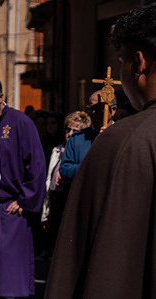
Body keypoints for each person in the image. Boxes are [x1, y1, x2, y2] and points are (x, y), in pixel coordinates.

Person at [45, 4, 156, 297]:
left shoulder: (124, 141)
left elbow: (86, 258)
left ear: (138, 62)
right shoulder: (104, 138)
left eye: (121, 61)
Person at [0, 76, 47, 298]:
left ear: (1, 97)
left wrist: (25, 200)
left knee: (10, 276)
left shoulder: (20, 122)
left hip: (11, 208)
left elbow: (36, 164)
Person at [40, 111, 91, 256]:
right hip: (56, 199)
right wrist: (45, 213)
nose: (70, 134)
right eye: (68, 130)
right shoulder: (57, 150)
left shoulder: (85, 150)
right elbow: (49, 180)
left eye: (75, 131)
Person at [58, 90, 117, 183]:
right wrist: (89, 166)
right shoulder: (77, 138)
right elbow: (65, 170)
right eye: (90, 108)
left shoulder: (123, 136)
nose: (93, 113)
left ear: (113, 110)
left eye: (99, 108)